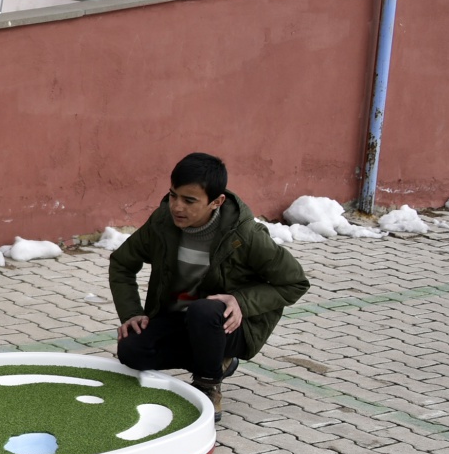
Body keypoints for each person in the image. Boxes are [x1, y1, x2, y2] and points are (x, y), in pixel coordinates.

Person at [109, 152, 310, 420]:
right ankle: (216, 360)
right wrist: (132, 313)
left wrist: (240, 300)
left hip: (228, 324)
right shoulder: (162, 223)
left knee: (204, 311)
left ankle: (209, 383)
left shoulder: (245, 235)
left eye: (189, 201)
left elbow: (295, 282)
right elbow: (122, 264)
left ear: (217, 201)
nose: (177, 207)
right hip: (180, 317)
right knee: (131, 349)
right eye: (173, 195)